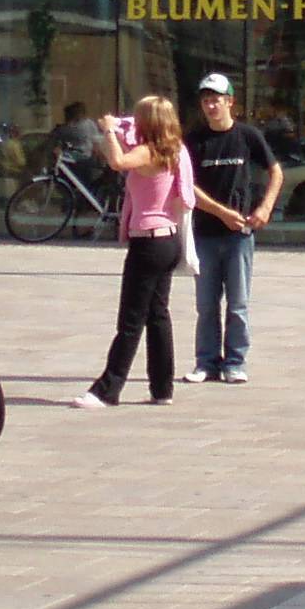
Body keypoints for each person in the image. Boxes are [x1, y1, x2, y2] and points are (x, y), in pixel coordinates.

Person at [74, 96, 193, 411]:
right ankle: (162, 387)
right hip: (167, 239)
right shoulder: (175, 150)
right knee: (158, 315)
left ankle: (106, 390)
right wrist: (118, 129)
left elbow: (117, 162)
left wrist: (111, 131)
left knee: (131, 320)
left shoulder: (148, 152)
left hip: (148, 242)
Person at [182, 73, 279, 384]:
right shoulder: (194, 141)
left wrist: (264, 208)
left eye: (217, 99)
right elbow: (187, 187)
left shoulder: (247, 136)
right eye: (206, 100)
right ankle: (206, 362)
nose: (211, 105)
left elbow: (276, 172)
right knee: (206, 305)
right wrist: (221, 212)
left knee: (237, 304)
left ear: (230, 101)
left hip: (240, 236)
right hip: (205, 234)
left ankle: (235, 363)